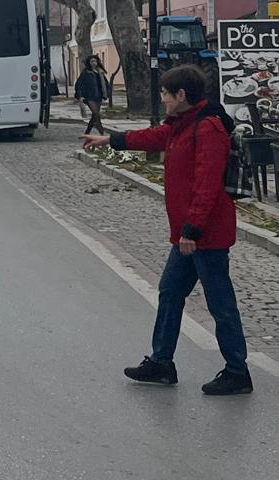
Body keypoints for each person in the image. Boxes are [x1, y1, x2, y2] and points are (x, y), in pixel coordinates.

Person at [84, 64, 251, 395]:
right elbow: (152, 137)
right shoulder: (182, 124)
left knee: (220, 302)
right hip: (187, 235)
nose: (162, 99)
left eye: (164, 94)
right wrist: (109, 139)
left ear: (181, 95)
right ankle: (162, 362)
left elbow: (207, 185)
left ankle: (237, 372)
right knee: (170, 291)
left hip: (205, 234)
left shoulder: (209, 128)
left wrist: (192, 230)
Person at [75, 56, 108, 134]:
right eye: (92, 61)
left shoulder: (100, 72)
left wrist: (106, 94)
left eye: (95, 61)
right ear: (89, 63)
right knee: (96, 114)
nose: (94, 63)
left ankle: (87, 132)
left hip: (99, 96)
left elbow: (106, 84)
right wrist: (80, 95)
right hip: (89, 97)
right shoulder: (86, 73)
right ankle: (101, 132)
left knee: (94, 116)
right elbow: (79, 85)